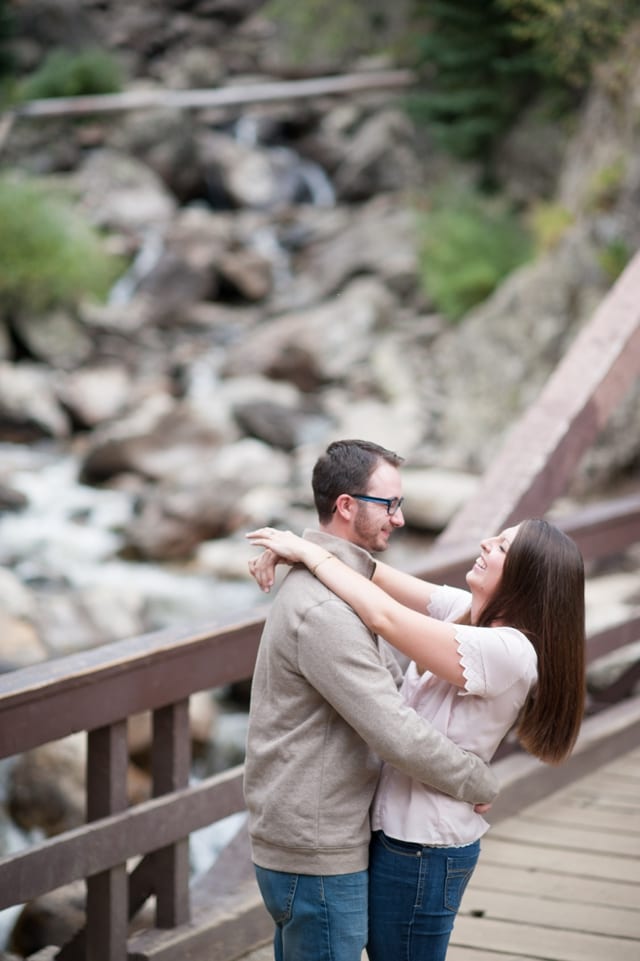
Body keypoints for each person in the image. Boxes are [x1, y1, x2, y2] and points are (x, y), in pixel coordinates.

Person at [246, 513, 586, 961]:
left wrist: (310, 552)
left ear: (527, 576)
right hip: (398, 834)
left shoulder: (509, 651)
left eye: (502, 547)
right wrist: (304, 548)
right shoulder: (465, 613)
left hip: (428, 848)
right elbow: (374, 574)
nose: (485, 544)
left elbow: (383, 616)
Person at [242, 439, 499, 961]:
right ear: (346, 506)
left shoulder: (339, 582)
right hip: (314, 847)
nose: (400, 519)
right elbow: (392, 728)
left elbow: (400, 673)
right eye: (390, 505)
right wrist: (476, 779)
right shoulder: (325, 610)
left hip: (319, 833)